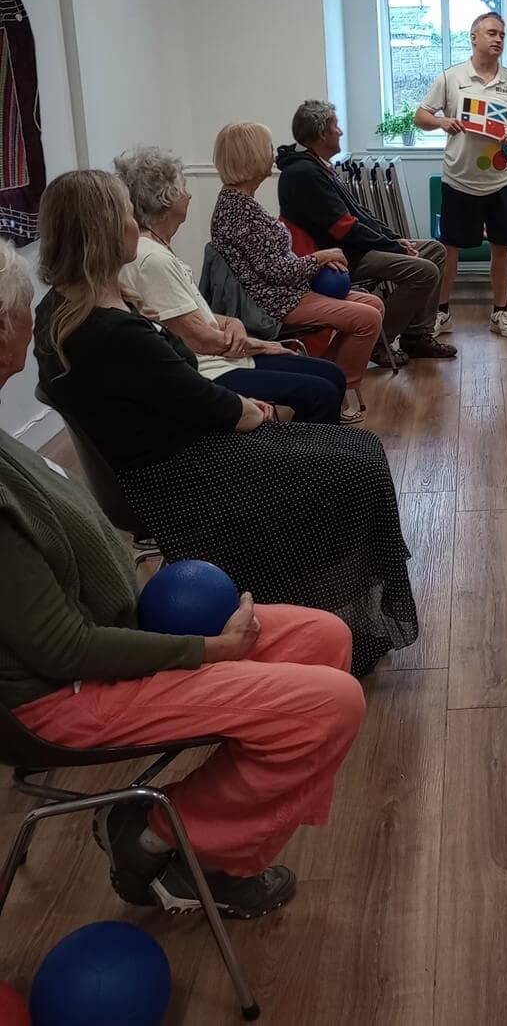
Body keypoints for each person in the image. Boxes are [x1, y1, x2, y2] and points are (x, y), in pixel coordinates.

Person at [0, 238, 363, 919]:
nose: (30, 323)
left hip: (112, 638)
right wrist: (205, 653)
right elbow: (62, 651)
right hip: (58, 698)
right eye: (22, 312)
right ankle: (154, 835)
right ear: (1, 331)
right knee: (329, 706)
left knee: (323, 636)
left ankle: (217, 845)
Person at [33, 169, 418, 679]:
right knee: (357, 464)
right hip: (183, 473)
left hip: (174, 452)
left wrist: (249, 407)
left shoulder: (64, 310)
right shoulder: (107, 331)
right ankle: (332, 622)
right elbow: (210, 405)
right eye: (127, 215)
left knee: (354, 451)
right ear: (104, 231)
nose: (135, 224)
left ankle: (319, 609)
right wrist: (263, 412)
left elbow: (180, 391)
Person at [114, 146, 347, 424]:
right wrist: (261, 345)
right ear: (168, 197)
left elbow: (189, 317)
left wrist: (230, 323)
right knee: (322, 392)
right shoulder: (152, 259)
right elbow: (197, 339)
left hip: (226, 358)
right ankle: (303, 459)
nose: (188, 194)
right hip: (211, 371)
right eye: (183, 186)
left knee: (331, 376)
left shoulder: (156, 249)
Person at [208, 121, 382, 424]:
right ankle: (341, 392)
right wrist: (321, 257)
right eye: (266, 147)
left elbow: (276, 266)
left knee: (373, 305)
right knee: (367, 318)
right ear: (250, 156)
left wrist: (314, 262)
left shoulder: (240, 203)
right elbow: (277, 272)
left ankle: (328, 376)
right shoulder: (238, 211)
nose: (271, 153)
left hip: (287, 291)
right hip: (273, 303)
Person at [276, 99, 456, 364]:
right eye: (336, 126)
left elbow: (360, 215)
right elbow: (346, 229)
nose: (340, 132)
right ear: (322, 133)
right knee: (423, 270)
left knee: (435, 251)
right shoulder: (303, 173)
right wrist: (394, 247)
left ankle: (416, 337)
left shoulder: (317, 166)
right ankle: (378, 342)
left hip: (354, 248)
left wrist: (395, 239)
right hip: (338, 259)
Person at [415, 12, 507, 338]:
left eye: (502, 34)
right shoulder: (451, 78)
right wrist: (442, 122)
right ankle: (442, 312)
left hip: (500, 180)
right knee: (451, 249)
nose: (498, 39)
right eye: (491, 33)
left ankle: (500, 312)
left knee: (502, 247)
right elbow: (420, 115)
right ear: (473, 37)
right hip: (458, 179)